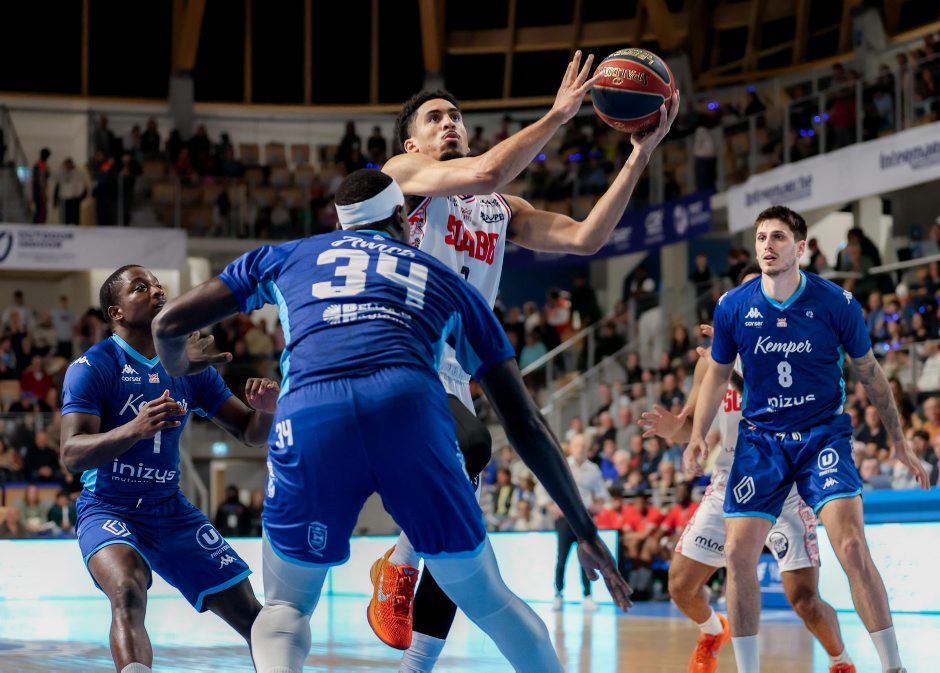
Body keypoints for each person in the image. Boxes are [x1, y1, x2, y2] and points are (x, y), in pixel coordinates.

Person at [151, 169, 630, 673]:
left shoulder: (288, 256)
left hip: (312, 416)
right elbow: (526, 423)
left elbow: (167, 324)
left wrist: (181, 366)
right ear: (402, 218)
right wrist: (585, 530)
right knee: (492, 602)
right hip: (411, 416)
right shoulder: (446, 280)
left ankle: (388, 578)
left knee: (285, 609)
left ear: (339, 223)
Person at [372, 51, 679, 669]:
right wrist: (559, 115)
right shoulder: (401, 176)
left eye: (456, 116)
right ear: (412, 142)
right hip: (400, 351)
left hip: (457, 371)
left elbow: (586, 237)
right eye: (435, 118)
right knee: (475, 446)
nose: (450, 122)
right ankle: (398, 562)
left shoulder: (500, 209)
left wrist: (639, 155)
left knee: (462, 529)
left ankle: (415, 663)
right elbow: (486, 170)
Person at [685, 205, 928, 673]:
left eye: (778, 237)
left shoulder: (836, 302)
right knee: (737, 553)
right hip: (762, 441)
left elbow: (870, 372)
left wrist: (898, 440)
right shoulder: (733, 305)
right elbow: (716, 374)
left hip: (822, 438)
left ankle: (893, 666)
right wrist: (697, 435)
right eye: (761, 237)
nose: (767, 246)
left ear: (800, 248)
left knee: (852, 547)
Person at [61, 264, 280, 673]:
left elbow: (249, 433)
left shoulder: (189, 367)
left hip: (170, 510)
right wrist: (135, 428)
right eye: (140, 288)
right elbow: (72, 454)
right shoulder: (92, 367)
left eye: (158, 285)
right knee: (127, 590)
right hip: (108, 507)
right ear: (116, 312)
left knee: (253, 616)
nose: (157, 291)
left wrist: (266, 411)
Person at [640, 263, 855, 673]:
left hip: (787, 481)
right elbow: (693, 425)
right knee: (681, 585)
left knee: (804, 599)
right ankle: (712, 630)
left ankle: (840, 660)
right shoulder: (712, 359)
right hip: (732, 480)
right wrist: (676, 431)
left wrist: (732, 372)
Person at [551, 433, 608, 611]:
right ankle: (558, 594)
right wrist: (553, 506)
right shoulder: (562, 464)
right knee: (562, 557)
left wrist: (597, 506)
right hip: (565, 519)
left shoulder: (593, 469)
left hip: (584, 518)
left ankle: (588, 596)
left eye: (583, 446)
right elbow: (547, 488)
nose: (580, 449)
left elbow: (602, 494)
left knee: (587, 558)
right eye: (577, 445)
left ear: (588, 448)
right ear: (571, 447)